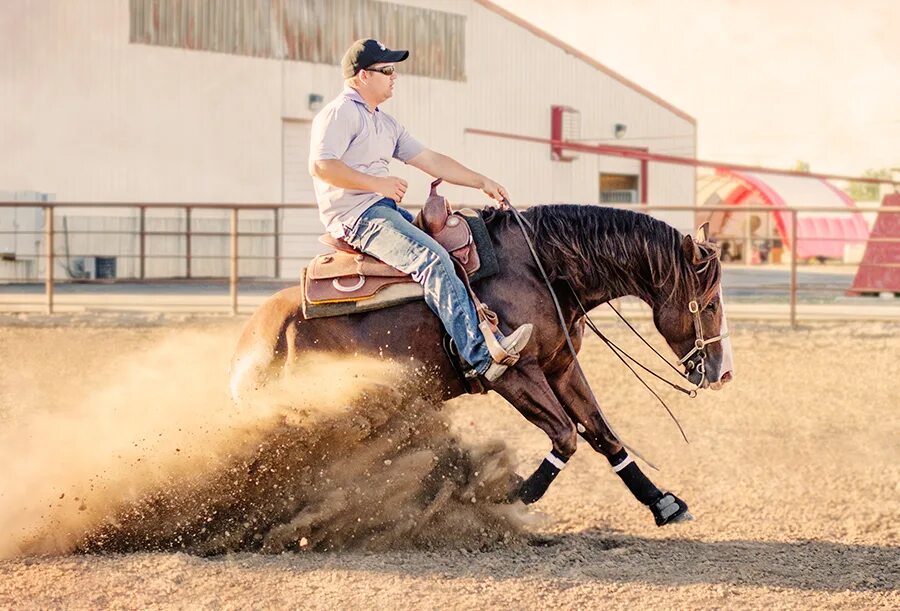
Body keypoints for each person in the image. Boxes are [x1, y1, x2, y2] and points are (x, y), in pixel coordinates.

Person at [308, 38, 532, 382]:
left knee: (456, 250)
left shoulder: (385, 123)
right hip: (358, 217)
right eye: (387, 70)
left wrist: (480, 181)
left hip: (382, 210)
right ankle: (480, 356)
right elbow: (322, 166)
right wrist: (377, 184)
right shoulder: (340, 113)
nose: (394, 76)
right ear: (362, 76)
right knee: (431, 260)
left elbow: (430, 160)